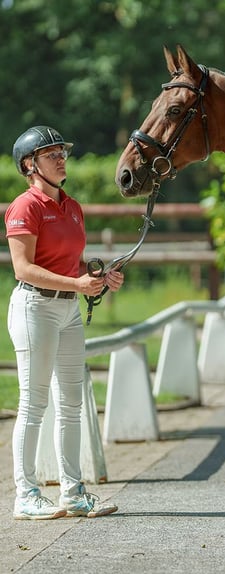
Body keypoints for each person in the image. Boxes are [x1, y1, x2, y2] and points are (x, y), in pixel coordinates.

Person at [5, 126, 122, 520]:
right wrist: (75, 282)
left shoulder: (72, 206)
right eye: (50, 153)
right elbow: (24, 268)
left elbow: (71, 264)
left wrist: (101, 278)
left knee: (71, 404)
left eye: (61, 152)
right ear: (29, 164)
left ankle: (72, 493)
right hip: (34, 309)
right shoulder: (25, 206)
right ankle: (25, 494)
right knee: (34, 403)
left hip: (69, 310)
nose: (60, 158)